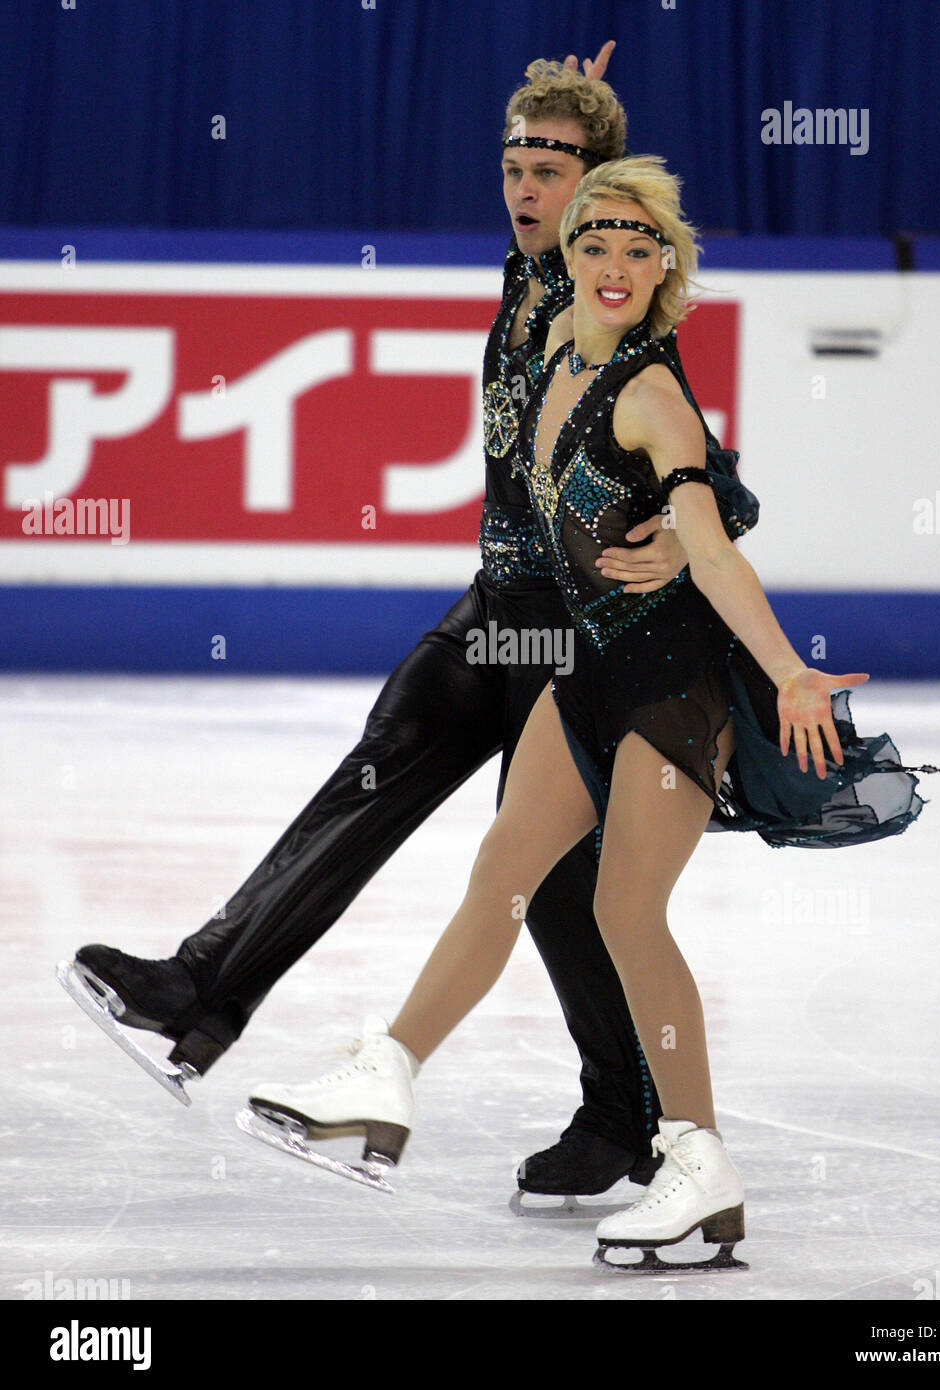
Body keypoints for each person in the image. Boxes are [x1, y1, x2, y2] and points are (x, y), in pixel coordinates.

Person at [244, 156, 935, 1272]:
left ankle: (697, 1162)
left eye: (636, 248)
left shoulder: (652, 394)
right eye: (593, 244)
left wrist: (788, 666)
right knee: (502, 873)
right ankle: (386, 1076)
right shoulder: (551, 351)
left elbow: (706, 545)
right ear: (562, 257)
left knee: (623, 913)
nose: (613, 265)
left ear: (665, 268)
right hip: (580, 674)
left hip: (668, 693)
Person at [60, 51, 703, 1200]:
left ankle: (624, 1115)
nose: (521, 186)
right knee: (381, 771)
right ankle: (202, 987)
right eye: (510, 164)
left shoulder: (596, 293)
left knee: (554, 882)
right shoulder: (524, 273)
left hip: (572, 635)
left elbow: (679, 420)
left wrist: (692, 527)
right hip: (497, 611)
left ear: (598, 189)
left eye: (549, 168)